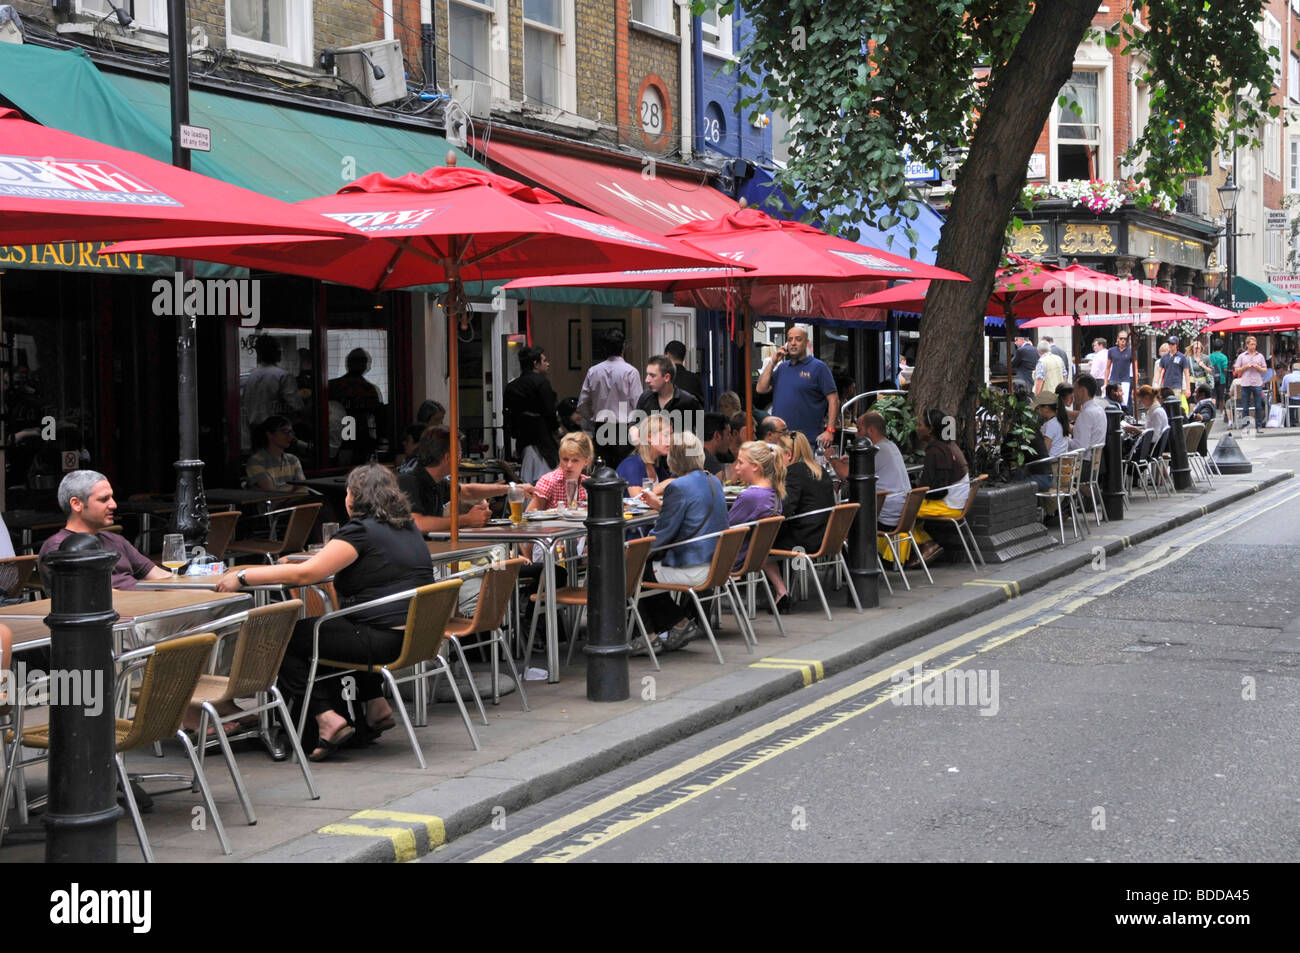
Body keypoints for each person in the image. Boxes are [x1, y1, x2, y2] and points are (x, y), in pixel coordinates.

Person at [215, 465, 433, 760]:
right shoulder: (405, 526)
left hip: (380, 639)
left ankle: (326, 716)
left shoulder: (361, 530)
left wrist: (244, 577)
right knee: (343, 623)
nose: (345, 497)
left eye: (347, 491)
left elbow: (308, 574)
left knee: (281, 637)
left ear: (356, 497)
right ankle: (376, 705)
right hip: (413, 635)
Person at [636, 433, 727, 653]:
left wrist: (633, 553)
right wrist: (661, 507)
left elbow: (661, 537)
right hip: (716, 564)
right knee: (641, 569)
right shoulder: (712, 479)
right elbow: (693, 515)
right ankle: (677, 623)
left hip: (693, 567)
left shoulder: (678, 487)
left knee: (633, 571)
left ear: (673, 459)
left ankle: (647, 636)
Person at [38, 471, 172, 590]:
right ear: (76, 504)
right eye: (104, 499)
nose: (114, 505)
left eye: (112, 497)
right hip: (120, 614)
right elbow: (96, 597)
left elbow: (161, 576)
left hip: (145, 608)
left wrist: (187, 587)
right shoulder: (60, 548)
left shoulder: (115, 539)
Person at [399, 428, 532, 533]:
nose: (461, 459)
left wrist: (511, 489)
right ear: (447, 457)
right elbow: (418, 523)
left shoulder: (437, 482)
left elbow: (467, 491)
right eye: (459, 454)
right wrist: (467, 520)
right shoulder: (409, 482)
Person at [772, 431, 837, 601]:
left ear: (789, 455)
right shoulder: (819, 469)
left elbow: (784, 509)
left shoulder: (793, 473)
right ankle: (789, 585)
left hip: (806, 539)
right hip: (827, 535)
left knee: (759, 542)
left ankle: (781, 591)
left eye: (778, 455)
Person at [755, 325, 839, 448]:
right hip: (780, 441)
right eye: (790, 339)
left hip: (806, 442)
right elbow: (760, 389)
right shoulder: (782, 367)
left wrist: (830, 430)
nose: (793, 343)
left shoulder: (819, 367)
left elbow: (834, 400)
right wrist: (773, 362)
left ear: (807, 343)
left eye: (798, 339)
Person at [907, 409, 971, 564]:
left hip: (949, 504)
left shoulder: (935, 451)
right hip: (956, 501)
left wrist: (915, 493)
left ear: (930, 430)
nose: (917, 427)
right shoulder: (948, 446)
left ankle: (925, 545)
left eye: (920, 424)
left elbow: (937, 490)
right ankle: (927, 544)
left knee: (902, 511)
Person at [577, 327, 642, 466]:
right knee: (624, 472)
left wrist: (593, 417)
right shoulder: (631, 372)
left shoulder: (593, 371)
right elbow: (638, 404)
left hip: (602, 427)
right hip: (624, 429)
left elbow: (582, 404)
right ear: (623, 346)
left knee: (603, 473)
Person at [503, 345, 559, 484]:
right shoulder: (542, 383)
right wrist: (556, 428)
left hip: (522, 440)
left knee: (526, 478)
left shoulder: (511, 387)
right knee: (545, 480)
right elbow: (550, 412)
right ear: (535, 363)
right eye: (544, 360)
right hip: (542, 439)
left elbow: (508, 416)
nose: (548, 363)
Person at [726, 440, 785, 570]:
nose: (736, 467)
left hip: (731, 561)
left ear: (755, 466)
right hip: (753, 558)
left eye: (740, 462)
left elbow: (725, 530)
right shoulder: (774, 492)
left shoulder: (751, 497)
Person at [242, 335, 303, 449]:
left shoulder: (251, 376)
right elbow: (296, 405)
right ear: (276, 352)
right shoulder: (283, 376)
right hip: (276, 434)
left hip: (254, 432)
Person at [328, 348, 385, 464]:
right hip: (360, 440)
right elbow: (380, 418)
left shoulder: (333, 386)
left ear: (347, 364)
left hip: (337, 440)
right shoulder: (370, 390)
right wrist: (380, 440)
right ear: (365, 366)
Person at [529, 432, 594, 512]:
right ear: (560, 457)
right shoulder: (548, 481)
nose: (569, 465)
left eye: (575, 460)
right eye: (565, 459)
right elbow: (530, 514)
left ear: (586, 461)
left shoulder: (589, 485)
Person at [636, 354, 704, 424]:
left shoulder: (689, 401)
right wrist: (633, 428)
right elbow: (635, 423)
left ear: (667, 377)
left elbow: (701, 429)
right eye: (647, 375)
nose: (647, 380)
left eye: (652, 376)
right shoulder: (645, 398)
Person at [246, 415, 306, 491]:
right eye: (284, 432)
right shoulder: (256, 461)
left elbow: (303, 489)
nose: (290, 437)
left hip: (295, 502)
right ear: (269, 434)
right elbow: (272, 494)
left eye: (290, 432)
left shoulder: (293, 460)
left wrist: (284, 489)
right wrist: (293, 487)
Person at [617, 414, 672, 498]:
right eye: (666, 435)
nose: (671, 440)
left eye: (671, 435)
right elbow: (637, 496)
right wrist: (669, 482)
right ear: (649, 437)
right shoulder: (631, 464)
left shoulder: (658, 465)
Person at [1233, 335, 1268, 429]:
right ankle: (1246, 425)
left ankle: (1259, 426)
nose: (1253, 346)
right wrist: (1245, 367)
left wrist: (1258, 367)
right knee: (1245, 407)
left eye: (1254, 344)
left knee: (1258, 406)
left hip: (1257, 383)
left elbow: (1265, 370)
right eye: (1251, 344)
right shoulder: (1242, 356)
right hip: (1245, 383)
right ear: (1247, 345)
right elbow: (1236, 370)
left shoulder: (1260, 356)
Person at [1071, 373, 1107, 452]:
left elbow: (1080, 447)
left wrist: (1064, 440)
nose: (1073, 394)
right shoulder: (1100, 409)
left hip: (1084, 462)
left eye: (1074, 390)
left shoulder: (1086, 413)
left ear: (1083, 391)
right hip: (1095, 460)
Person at [1154, 335, 1192, 409]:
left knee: (1177, 406)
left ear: (1176, 345)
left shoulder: (1182, 357)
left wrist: (1188, 388)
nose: (1170, 346)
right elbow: (1159, 371)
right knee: (1165, 406)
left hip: (1177, 386)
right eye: (1169, 344)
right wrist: (1156, 382)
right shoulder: (1164, 357)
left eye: (1172, 344)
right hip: (1166, 386)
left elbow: (1186, 374)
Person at [1107, 330, 1135, 410]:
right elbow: (1107, 367)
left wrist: (1135, 384)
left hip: (1125, 379)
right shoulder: (1111, 351)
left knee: (1124, 402)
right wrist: (1106, 382)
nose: (1123, 340)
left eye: (1125, 339)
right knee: (1112, 401)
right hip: (1113, 379)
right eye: (1121, 338)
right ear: (1117, 339)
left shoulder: (1131, 351)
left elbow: (1135, 368)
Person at [1209, 339, 1230, 414]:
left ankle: (1213, 411)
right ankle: (1221, 412)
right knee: (1221, 396)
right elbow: (1225, 368)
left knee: (1213, 395)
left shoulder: (1210, 356)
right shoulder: (1223, 357)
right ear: (1222, 348)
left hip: (1211, 378)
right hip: (1221, 379)